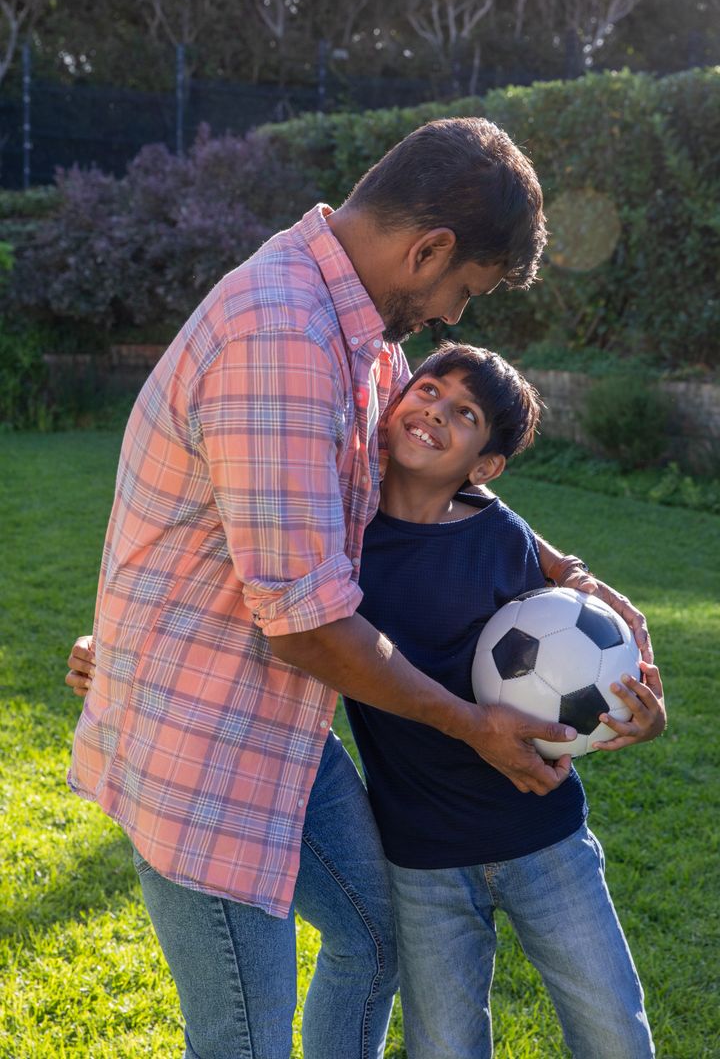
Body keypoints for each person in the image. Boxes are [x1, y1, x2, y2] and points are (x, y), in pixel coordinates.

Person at [64, 116, 654, 1059]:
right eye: (466, 289)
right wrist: (470, 724)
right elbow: (306, 627)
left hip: (285, 728)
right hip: (203, 743)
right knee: (245, 1038)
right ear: (429, 250)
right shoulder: (283, 334)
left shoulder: (362, 331)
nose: (457, 317)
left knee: (376, 940)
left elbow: (421, 489)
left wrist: (565, 570)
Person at [344, 341, 665, 1059]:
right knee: (444, 1047)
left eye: (465, 414)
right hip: (421, 853)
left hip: (543, 836)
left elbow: (581, 659)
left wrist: (637, 710)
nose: (435, 411)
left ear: (484, 467)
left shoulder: (499, 535)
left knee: (615, 1031)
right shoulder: (343, 540)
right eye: (429, 390)